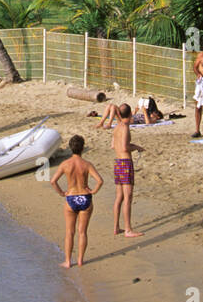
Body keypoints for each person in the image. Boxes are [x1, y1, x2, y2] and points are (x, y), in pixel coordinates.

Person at [50, 135, 104, 268]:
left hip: (71, 197)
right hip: (85, 197)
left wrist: (62, 193)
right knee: (82, 232)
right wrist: (94, 191)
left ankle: (68, 261)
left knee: (70, 232)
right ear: (82, 148)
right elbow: (100, 181)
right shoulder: (86, 164)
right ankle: (80, 260)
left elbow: (53, 181)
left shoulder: (65, 164)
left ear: (70, 148)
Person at [110, 104, 144, 237]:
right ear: (130, 114)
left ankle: (116, 226)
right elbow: (125, 147)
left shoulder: (117, 126)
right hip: (124, 163)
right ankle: (128, 229)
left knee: (119, 197)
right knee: (128, 197)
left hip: (118, 162)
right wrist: (136, 147)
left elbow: (113, 145)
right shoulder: (124, 128)